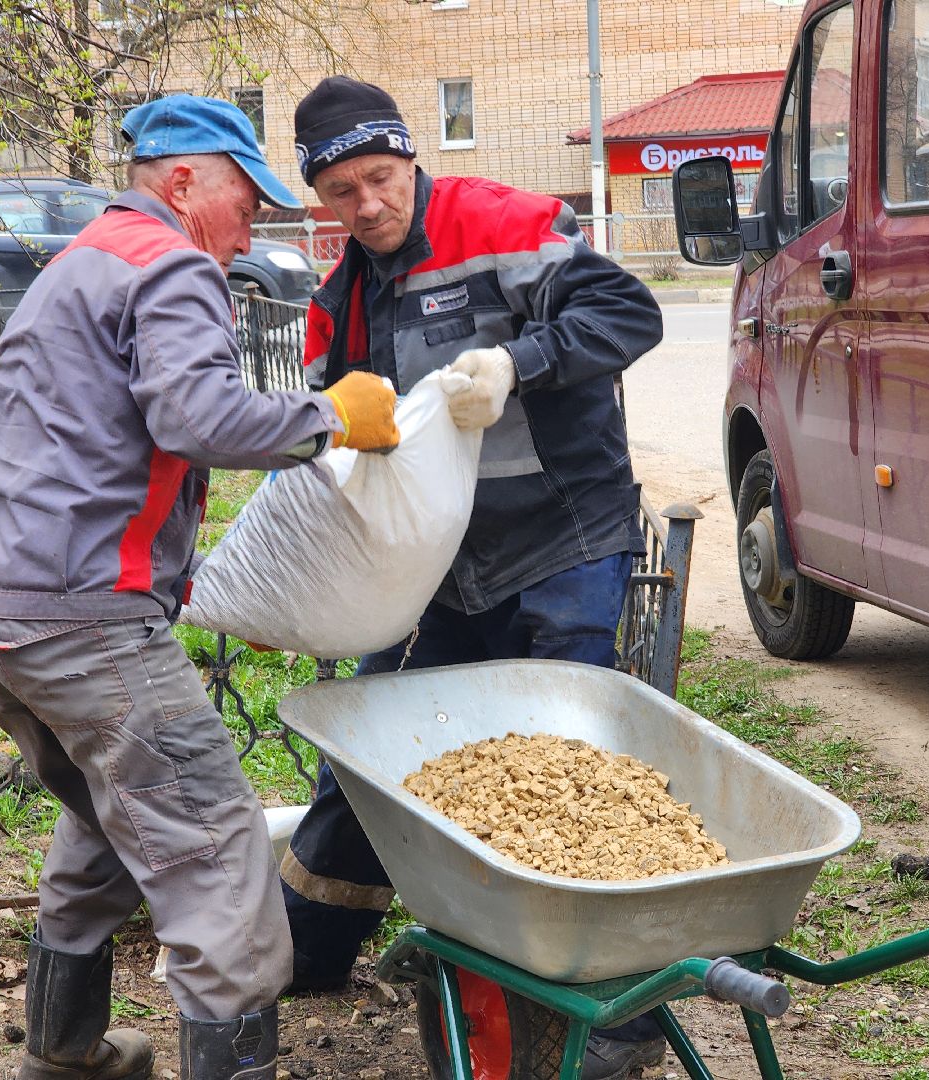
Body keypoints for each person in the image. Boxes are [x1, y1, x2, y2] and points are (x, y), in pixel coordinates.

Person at [0, 94, 398, 1080]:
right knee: (219, 852)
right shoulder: (171, 261)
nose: (251, 228)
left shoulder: (84, 260)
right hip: (80, 617)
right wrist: (333, 415)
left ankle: (68, 1056)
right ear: (183, 181)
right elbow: (198, 415)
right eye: (245, 202)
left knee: (114, 816)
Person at [279, 77, 667, 1080]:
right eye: (340, 192)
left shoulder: (500, 222)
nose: (367, 205)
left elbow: (629, 314)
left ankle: (611, 1015)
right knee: (374, 751)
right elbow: (332, 419)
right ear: (320, 199)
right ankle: (305, 949)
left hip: (562, 542)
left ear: (411, 159)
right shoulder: (342, 297)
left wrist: (517, 364)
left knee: (571, 760)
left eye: (379, 177)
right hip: (437, 569)